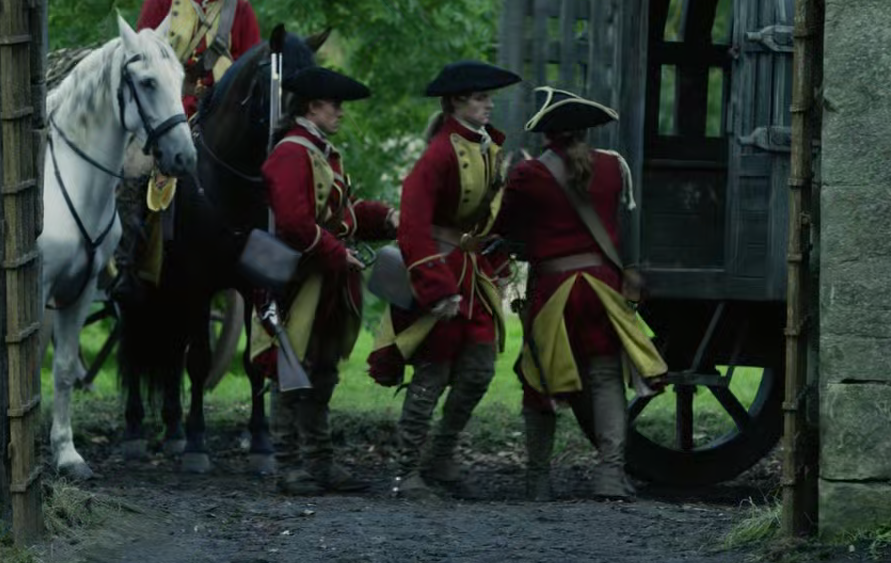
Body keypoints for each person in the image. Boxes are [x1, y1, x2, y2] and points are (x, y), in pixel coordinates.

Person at [491, 86, 669, 501]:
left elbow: (504, 226)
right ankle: (609, 474)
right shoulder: (612, 167)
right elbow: (621, 223)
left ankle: (538, 480)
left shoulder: (529, 175)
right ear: (587, 129)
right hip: (601, 289)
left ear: (547, 133)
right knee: (605, 378)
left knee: (539, 378)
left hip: (555, 290)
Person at [366, 60, 521, 499]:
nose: (489, 105)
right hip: (440, 272)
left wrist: (498, 264)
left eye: (489, 98)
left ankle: (441, 457)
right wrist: (437, 288)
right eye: (480, 98)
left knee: (479, 370)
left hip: (472, 274)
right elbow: (413, 224)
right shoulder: (438, 153)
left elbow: (488, 219)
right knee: (432, 373)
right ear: (457, 102)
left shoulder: (486, 146)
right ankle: (407, 471)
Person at [249, 66, 399, 496]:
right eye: (335, 105)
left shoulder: (320, 151)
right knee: (291, 369)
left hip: (325, 281)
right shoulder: (291, 153)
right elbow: (294, 223)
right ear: (312, 107)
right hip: (296, 280)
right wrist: (336, 252)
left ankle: (319, 462)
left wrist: (385, 217)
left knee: (323, 372)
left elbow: (341, 214)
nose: (341, 112)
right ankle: (289, 467)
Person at [113, 0, 262, 300]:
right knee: (133, 172)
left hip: (218, 118)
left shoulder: (240, 11)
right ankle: (127, 262)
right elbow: (142, 63)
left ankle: (263, 271)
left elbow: (250, 74)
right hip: (165, 116)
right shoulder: (161, 2)